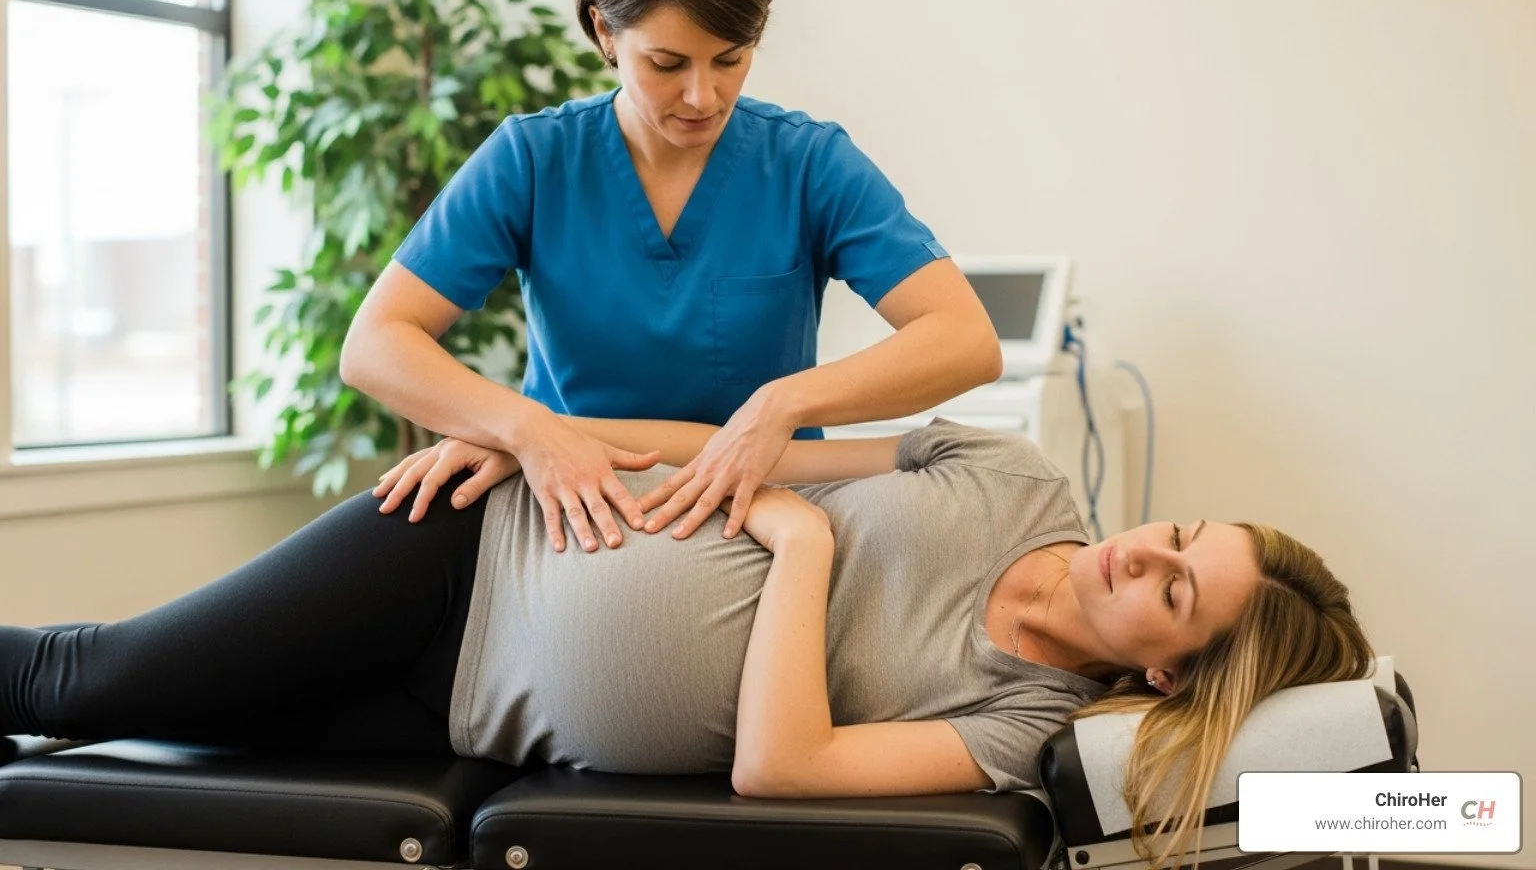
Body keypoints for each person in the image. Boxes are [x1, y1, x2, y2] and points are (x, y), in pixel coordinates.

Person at [0, 420, 1371, 867]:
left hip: (465, 722)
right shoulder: (1011, 474)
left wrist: (809, 548)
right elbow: (744, 444)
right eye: (1180, 534)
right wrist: (529, 437)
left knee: (99, 736)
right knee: (86, 679)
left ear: (1167, 673)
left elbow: (780, 766)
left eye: (1175, 592)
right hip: (465, 551)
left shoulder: (1010, 731)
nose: (1145, 552)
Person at [339, 0, 1003, 557]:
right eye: (667, 63)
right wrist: (525, 430)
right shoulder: (535, 160)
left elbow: (965, 340)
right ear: (604, 31)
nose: (702, 96)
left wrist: (781, 406)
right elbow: (375, 345)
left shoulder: (806, 164)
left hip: (767, 520)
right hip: (578, 513)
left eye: (730, 60)